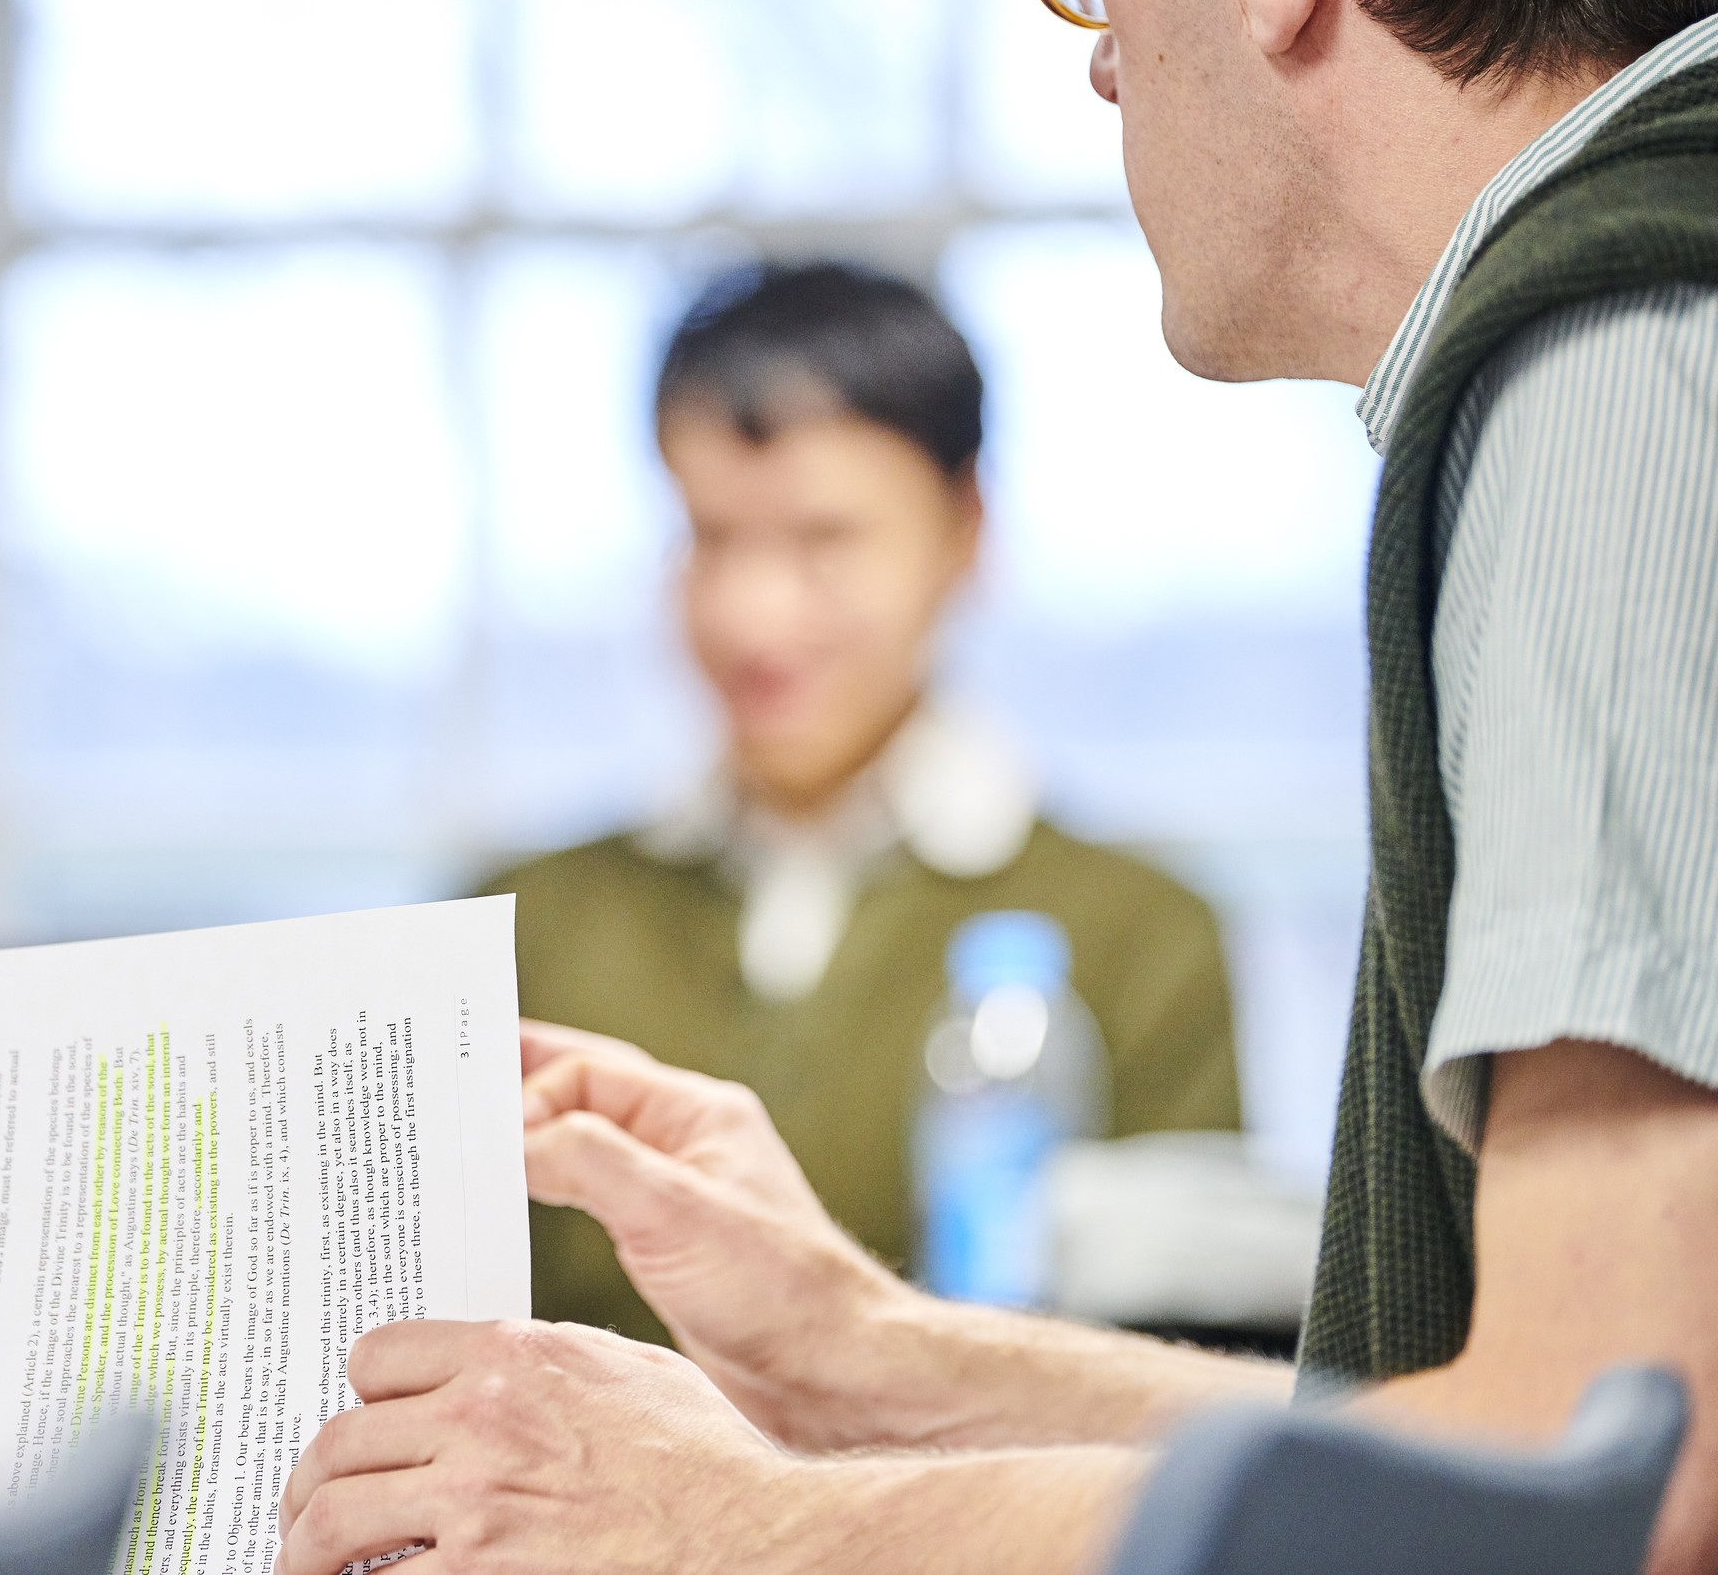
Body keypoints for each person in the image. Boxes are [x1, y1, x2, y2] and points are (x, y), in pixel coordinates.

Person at [279, 0, 1718, 1571]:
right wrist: (869, 1353)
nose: (1098, 45)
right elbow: (1486, 1423)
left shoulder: (1607, 366)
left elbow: (1631, 1478)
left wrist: (733, 1524)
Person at [487, 262, 1241, 1343]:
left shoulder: (1141, 936)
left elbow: (1177, 1387)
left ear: (965, 529)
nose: (754, 614)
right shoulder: (527, 920)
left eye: (823, 539)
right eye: (711, 535)